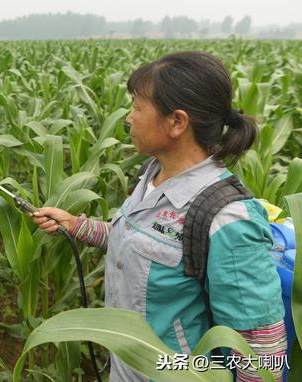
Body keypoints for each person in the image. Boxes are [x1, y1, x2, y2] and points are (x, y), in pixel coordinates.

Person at [31, 51, 287, 382]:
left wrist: (171, 369)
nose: (128, 118)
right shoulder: (152, 174)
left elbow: (262, 356)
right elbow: (140, 240)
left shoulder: (228, 219)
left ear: (177, 122)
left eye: (137, 108)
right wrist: (77, 226)